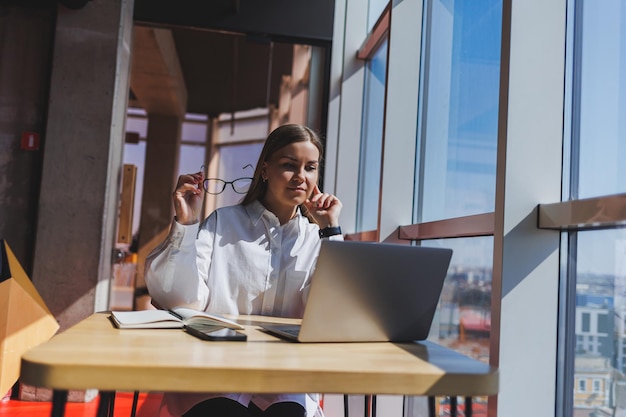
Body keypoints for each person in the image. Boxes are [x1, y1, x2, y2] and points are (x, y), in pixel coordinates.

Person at [145, 124, 343, 417]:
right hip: (216, 377)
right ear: (265, 170)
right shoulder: (222, 224)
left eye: (310, 168)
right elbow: (177, 298)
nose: (301, 176)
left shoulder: (318, 239)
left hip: (285, 384)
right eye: (289, 165)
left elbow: (333, 313)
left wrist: (331, 231)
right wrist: (186, 225)